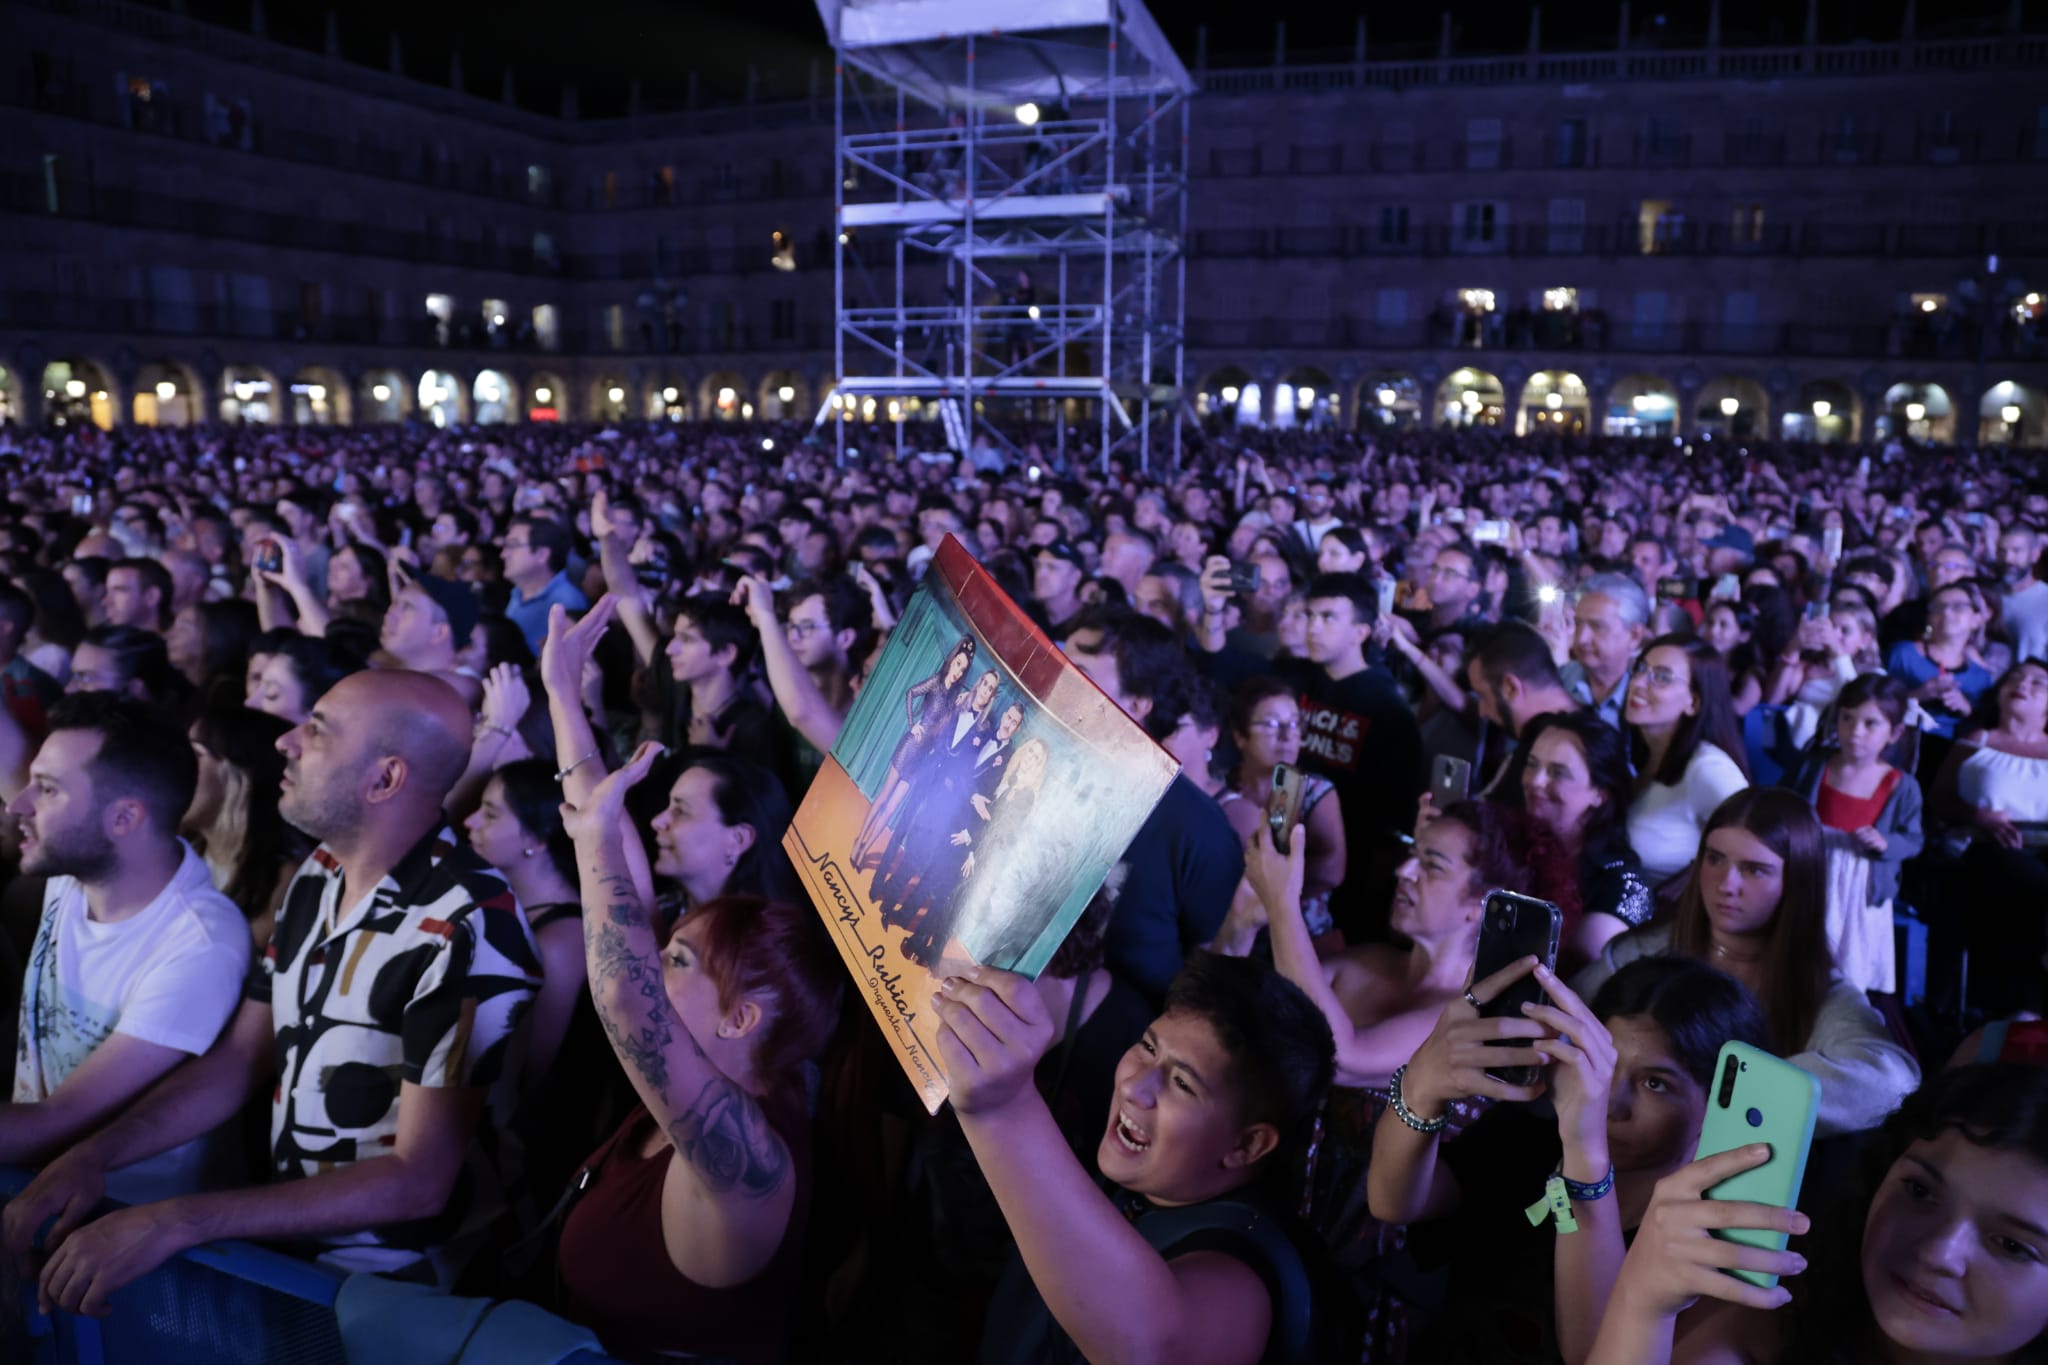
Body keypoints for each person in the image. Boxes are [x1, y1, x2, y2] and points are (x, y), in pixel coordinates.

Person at [4, 670, 544, 1302]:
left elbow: (419, 1178)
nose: (286, 742)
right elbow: (239, 1060)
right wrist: (96, 1156)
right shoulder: (319, 875)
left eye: (316, 729)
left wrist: (180, 1218)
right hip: (293, 1251)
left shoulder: (466, 924)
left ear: (385, 778)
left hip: (403, 1287)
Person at [552, 741, 843, 1365]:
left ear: (741, 1019)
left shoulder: (752, 1160)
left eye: (676, 960)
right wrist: (560, 692)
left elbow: (628, 997)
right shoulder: (707, 1087)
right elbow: (624, 903)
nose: (653, 965)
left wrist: (595, 838)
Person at [1369, 955, 1771, 1365]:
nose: (1612, 1103)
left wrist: (1585, 1149)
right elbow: (1392, 1201)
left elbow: (1587, 1352)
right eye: (1605, 1066)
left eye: (1655, 1083)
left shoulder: (1715, 1242)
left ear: (1720, 1106)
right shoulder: (1528, 1143)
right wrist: (1419, 1090)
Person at [947, 952, 1338, 1365]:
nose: (1136, 1087)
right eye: (1148, 1047)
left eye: (1183, 1083)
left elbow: (1153, 1350)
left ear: (1248, 1146)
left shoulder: (1249, 1269)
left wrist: (1004, 1109)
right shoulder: (1135, 1177)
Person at [1590, 1063, 2048, 1365]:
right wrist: (1642, 1305)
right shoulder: (1783, 1319)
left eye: (2012, 1245)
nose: (1938, 1252)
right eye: (1919, 1191)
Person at [0, 694, 250, 1202]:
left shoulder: (198, 946)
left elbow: (59, 1120)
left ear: (124, 818)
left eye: (46, 789)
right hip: (29, 1173)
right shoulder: (78, 868)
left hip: (105, 1221)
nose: (18, 805)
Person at [1577, 788, 1919, 1135]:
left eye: (1754, 870)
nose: (1727, 884)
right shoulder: (1645, 952)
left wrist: (1728, 1093)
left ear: (1796, 882)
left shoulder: (1817, 989)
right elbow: (1563, 1025)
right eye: (1715, 858)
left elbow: (1891, 1077)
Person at [1062, 611, 1243, 1001]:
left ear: (1140, 701)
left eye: (1081, 674)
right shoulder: (1042, 771)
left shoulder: (1196, 828)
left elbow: (1216, 968)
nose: (1061, 684)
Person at [1275, 572, 1425, 942]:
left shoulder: (1386, 709)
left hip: (1347, 879)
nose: (1313, 628)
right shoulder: (1300, 682)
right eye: (1310, 616)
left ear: (1361, 632)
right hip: (1288, 847)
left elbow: (1394, 819)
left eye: (1328, 618)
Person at [1782, 673, 1925, 994]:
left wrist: (1885, 842)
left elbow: (1914, 839)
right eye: (1847, 718)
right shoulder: (1814, 766)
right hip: (1815, 869)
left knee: (1850, 956)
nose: (1855, 732)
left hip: (1861, 884)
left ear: (1895, 732)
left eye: (1870, 723)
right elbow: (1784, 806)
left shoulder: (1901, 785)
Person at [1930, 658, 2048, 1015]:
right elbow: (1939, 798)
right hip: (1989, 848)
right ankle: (2023, 1007)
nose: (2023, 684)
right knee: (2025, 882)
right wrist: (1978, 816)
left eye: (2038, 682)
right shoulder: (1976, 741)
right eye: (2015, 678)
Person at [1511, 709, 1656, 966]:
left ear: (1600, 794)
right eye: (1532, 764)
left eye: (1558, 772)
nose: (1535, 781)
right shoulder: (1509, 841)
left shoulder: (1619, 884)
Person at [1215, 677, 1347, 949]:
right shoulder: (1221, 787)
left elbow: (1332, 871)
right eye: (1271, 724)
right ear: (1240, 736)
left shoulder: (1317, 790)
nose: (1287, 736)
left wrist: (1268, 893)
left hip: (1300, 935)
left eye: (1295, 724)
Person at [1624, 633, 1751, 886]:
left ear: (1693, 702)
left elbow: (1754, 853)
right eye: (1640, 668)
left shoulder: (1709, 769)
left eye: (1661, 677)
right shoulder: (1645, 753)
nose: (1638, 683)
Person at [182, 692, 305, 950]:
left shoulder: (287, 879)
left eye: (195, 754)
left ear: (239, 776)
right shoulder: (181, 853)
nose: (177, 765)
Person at [1887, 579, 1997, 741]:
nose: (1946, 613)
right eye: (1938, 608)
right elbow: (1877, 702)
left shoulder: (1981, 677)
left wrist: (1966, 708)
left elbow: (1986, 725)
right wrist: (1919, 694)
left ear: (1976, 619)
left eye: (1958, 607)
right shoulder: (1903, 654)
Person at [1564, 574, 1652, 731]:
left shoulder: (1652, 697)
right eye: (1578, 624)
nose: (1582, 639)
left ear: (1634, 635)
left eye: (1597, 626)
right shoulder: (1556, 681)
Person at [502, 515, 588, 654]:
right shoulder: (518, 592)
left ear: (542, 554)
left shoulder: (566, 601)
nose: (504, 554)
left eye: (513, 545)